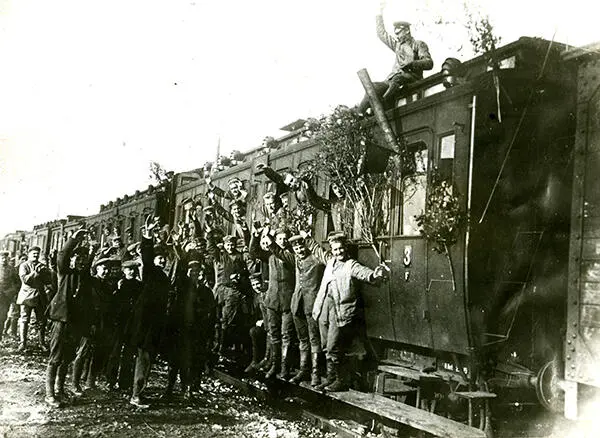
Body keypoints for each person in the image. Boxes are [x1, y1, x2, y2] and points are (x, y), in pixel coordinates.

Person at [305, 232, 386, 392]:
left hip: (339, 309)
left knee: (333, 345)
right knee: (324, 345)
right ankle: (330, 379)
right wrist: (307, 237)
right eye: (335, 249)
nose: (338, 252)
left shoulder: (351, 265)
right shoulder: (330, 261)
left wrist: (374, 275)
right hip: (323, 306)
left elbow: (364, 272)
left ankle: (340, 380)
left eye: (341, 249)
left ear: (345, 248)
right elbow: (317, 250)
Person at [45, 228, 95, 407]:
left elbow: (88, 264)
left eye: (83, 259)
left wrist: (93, 250)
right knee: (56, 357)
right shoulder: (65, 273)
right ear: (72, 260)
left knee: (66, 358)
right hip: (61, 321)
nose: (80, 261)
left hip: (75, 323)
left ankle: (59, 390)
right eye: (77, 258)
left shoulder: (84, 277)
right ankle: (49, 394)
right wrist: (73, 239)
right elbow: (62, 256)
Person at [357, 1, 433, 114]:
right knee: (374, 87)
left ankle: (382, 103)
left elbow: (429, 63)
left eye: (399, 32)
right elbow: (382, 34)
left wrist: (412, 64)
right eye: (396, 33)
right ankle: (359, 113)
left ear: (407, 30)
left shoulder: (418, 44)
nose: (397, 36)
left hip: (411, 77)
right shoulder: (398, 46)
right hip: (393, 79)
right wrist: (379, 13)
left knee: (398, 79)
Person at [128, 215, 172, 408]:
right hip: (145, 323)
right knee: (143, 359)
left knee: (147, 359)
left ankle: (139, 392)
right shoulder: (150, 272)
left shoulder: (163, 276)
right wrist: (147, 236)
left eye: (163, 257)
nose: (162, 260)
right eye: (159, 258)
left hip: (155, 323)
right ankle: (136, 394)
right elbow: (146, 256)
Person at [275, 235, 325, 386]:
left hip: (312, 305)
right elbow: (279, 253)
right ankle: (303, 370)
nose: (299, 250)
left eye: (301, 247)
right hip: (297, 305)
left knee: (314, 339)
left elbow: (322, 254)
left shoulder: (316, 258)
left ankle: (315, 373)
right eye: (296, 248)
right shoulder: (296, 258)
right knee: (303, 339)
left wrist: (309, 238)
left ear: (306, 246)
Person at [249, 227, 296, 379]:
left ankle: (284, 367)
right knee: (274, 333)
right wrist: (256, 236)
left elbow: (282, 255)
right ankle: (274, 365)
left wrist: (271, 243)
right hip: (273, 300)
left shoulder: (292, 255)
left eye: (284, 239)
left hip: (288, 302)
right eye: (279, 238)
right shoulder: (270, 256)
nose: (282, 241)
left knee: (286, 335)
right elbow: (253, 252)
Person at [105, 260, 142, 392]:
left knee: (128, 353)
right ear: (124, 271)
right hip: (120, 322)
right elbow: (113, 304)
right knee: (115, 352)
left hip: (132, 323)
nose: (131, 271)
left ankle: (124, 382)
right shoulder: (119, 284)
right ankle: (110, 380)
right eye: (128, 269)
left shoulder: (139, 285)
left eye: (133, 269)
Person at [16, 246, 51, 351]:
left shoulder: (42, 266)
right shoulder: (24, 265)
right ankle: (23, 343)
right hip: (27, 296)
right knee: (24, 320)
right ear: (29, 254)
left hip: (40, 296)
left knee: (41, 321)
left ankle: (41, 343)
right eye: (33, 253)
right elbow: (25, 280)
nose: (35, 255)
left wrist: (45, 272)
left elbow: (48, 280)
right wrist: (35, 272)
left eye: (37, 254)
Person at [243, 273, 268, 373]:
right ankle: (254, 360)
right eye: (253, 285)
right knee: (252, 330)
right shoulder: (256, 297)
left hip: (271, 324)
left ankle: (262, 360)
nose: (256, 287)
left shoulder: (267, 294)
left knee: (254, 331)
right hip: (262, 324)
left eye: (257, 284)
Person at [0, 250, 20, 344]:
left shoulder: (12, 269)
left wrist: (12, 292)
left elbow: (17, 283)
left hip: (5, 298)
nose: (3, 260)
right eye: (2, 258)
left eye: (5, 258)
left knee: (2, 317)